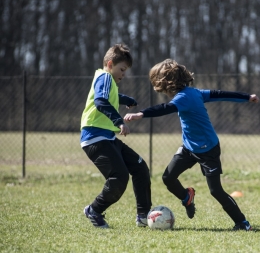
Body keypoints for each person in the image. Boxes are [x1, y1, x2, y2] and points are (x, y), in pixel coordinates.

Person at [124, 58, 259, 231]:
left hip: (208, 150)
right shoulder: (194, 92)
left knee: (216, 191)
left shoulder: (183, 98)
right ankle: (186, 196)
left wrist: (140, 114)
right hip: (189, 148)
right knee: (168, 177)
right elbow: (221, 93)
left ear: (164, 83)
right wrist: (247, 96)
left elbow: (165, 108)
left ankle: (242, 223)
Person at [80, 43, 152, 229]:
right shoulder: (104, 77)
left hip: (107, 138)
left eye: (126, 70)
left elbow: (110, 95)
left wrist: (127, 100)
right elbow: (101, 101)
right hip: (95, 138)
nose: (124, 74)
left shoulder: (108, 80)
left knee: (140, 167)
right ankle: (94, 210)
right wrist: (119, 121)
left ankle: (144, 216)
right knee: (119, 177)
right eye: (122, 69)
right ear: (110, 64)